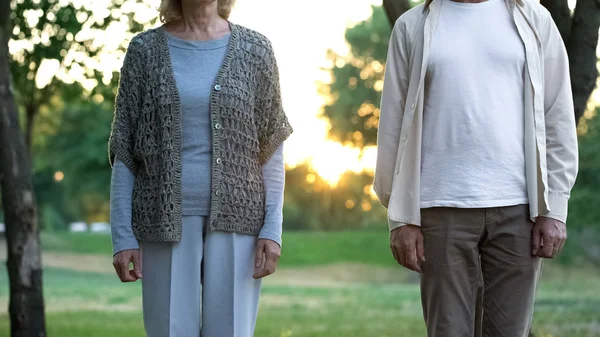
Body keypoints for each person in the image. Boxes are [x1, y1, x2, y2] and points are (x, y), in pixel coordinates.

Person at [374, 0, 578, 336]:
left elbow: (557, 114)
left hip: (520, 209)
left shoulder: (535, 20)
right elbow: (393, 125)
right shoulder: (412, 26)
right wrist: (400, 217)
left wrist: (554, 207)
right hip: (438, 209)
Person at [108, 0, 293, 336]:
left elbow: (271, 147)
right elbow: (124, 148)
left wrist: (272, 228)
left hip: (240, 219)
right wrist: (122, 236)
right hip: (162, 219)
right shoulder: (144, 51)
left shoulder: (256, 49)